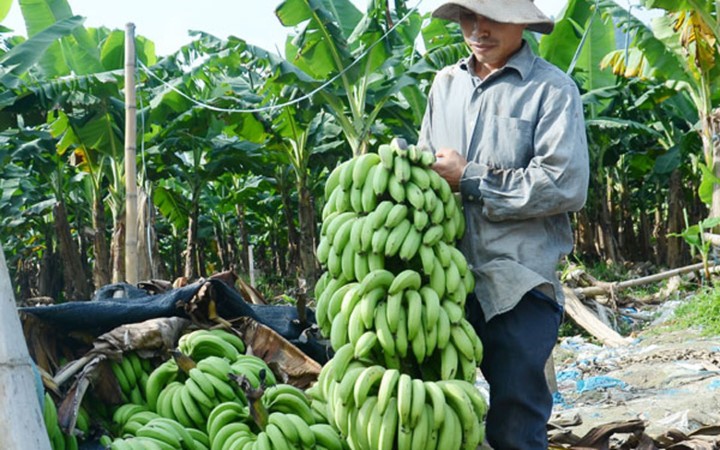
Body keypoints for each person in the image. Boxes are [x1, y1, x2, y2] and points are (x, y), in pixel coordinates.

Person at [417, 1, 590, 448]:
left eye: (492, 17)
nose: (479, 29)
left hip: (518, 283)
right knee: (439, 416)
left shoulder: (551, 90)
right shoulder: (445, 85)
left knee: (516, 422)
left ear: (521, 23)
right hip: (444, 283)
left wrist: (470, 176)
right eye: (469, 18)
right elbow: (425, 168)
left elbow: (564, 183)